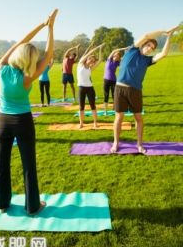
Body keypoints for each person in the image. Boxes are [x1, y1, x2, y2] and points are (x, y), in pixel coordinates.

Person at [0, 9, 58, 215]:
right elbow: (49, 54)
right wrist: (50, 28)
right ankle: (32, 206)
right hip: (22, 122)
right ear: (30, 60)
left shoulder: (1, 67)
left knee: (2, 164)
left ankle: (2, 204)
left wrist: (41, 25)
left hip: (3, 122)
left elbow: (19, 43)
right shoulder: (28, 77)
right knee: (28, 165)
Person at [110, 25, 180, 154]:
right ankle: (116, 143)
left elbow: (163, 54)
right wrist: (164, 31)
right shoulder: (132, 50)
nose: (150, 49)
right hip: (120, 88)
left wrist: (169, 37)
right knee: (119, 117)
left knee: (139, 118)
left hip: (135, 91)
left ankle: (139, 144)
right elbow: (146, 35)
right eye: (148, 46)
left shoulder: (147, 60)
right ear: (144, 45)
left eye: (152, 48)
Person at [77, 44, 104, 129]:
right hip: (81, 88)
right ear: (86, 59)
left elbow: (100, 60)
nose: (91, 61)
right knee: (81, 107)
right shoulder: (80, 64)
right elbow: (89, 53)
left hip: (90, 88)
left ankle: (95, 123)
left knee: (93, 106)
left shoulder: (90, 69)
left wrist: (100, 49)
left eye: (92, 61)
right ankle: (81, 123)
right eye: (90, 59)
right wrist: (96, 47)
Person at [103, 47, 128, 113]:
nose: (117, 56)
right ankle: (105, 110)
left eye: (118, 56)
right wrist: (123, 49)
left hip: (113, 80)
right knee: (106, 95)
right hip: (106, 80)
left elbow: (124, 59)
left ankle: (115, 108)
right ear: (113, 55)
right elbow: (114, 50)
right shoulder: (109, 60)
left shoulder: (117, 63)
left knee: (115, 95)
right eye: (116, 55)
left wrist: (125, 52)